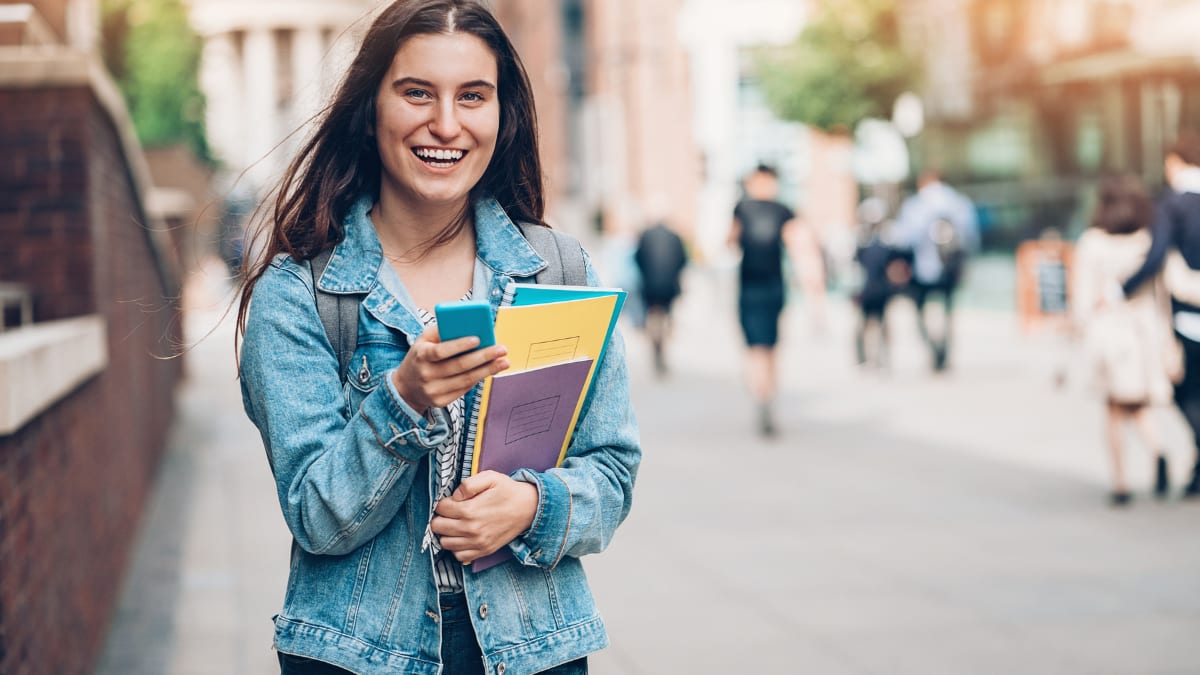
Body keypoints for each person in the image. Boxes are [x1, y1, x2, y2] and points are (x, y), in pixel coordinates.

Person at [235, 2, 641, 673]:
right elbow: (317, 515)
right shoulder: (300, 292)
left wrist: (535, 505)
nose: (446, 124)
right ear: (371, 108)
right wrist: (404, 398)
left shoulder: (558, 270)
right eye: (416, 93)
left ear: (502, 114)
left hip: (533, 649)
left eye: (472, 97)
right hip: (356, 652)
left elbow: (614, 470)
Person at [1073, 176, 1178, 506]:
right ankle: (1158, 450)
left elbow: (1082, 296)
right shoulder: (1147, 241)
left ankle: (1120, 482)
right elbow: (1163, 293)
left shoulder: (1092, 243)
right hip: (1144, 331)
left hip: (1109, 333)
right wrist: (1168, 337)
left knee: (1114, 409)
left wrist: (1079, 327)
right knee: (1135, 402)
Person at [1121, 131, 1200, 498]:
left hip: (1188, 313)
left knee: (1185, 392)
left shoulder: (1173, 204)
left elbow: (1155, 257)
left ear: (1174, 162)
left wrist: (1122, 289)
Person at [729, 164, 799, 436]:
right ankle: (767, 394)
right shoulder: (783, 210)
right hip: (773, 285)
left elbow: (730, 241)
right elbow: (798, 245)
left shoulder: (742, 208)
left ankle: (761, 394)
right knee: (769, 346)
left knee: (756, 347)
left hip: (752, 286)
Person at [893, 169, 980, 372]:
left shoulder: (915, 205)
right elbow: (971, 236)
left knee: (920, 311)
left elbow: (905, 239)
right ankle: (945, 351)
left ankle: (934, 349)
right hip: (950, 268)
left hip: (922, 270)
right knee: (948, 312)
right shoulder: (958, 202)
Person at [852, 197, 909, 370]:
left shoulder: (889, 237)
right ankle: (864, 359)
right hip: (866, 288)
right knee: (863, 324)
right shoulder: (859, 238)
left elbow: (898, 263)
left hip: (881, 288)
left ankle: (883, 357)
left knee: (881, 322)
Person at [633, 220, 687, 376]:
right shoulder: (675, 237)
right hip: (669, 286)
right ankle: (662, 343)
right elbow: (683, 260)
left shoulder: (645, 236)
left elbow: (638, 258)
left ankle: (657, 345)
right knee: (666, 316)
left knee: (653, 316)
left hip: (649, 286)